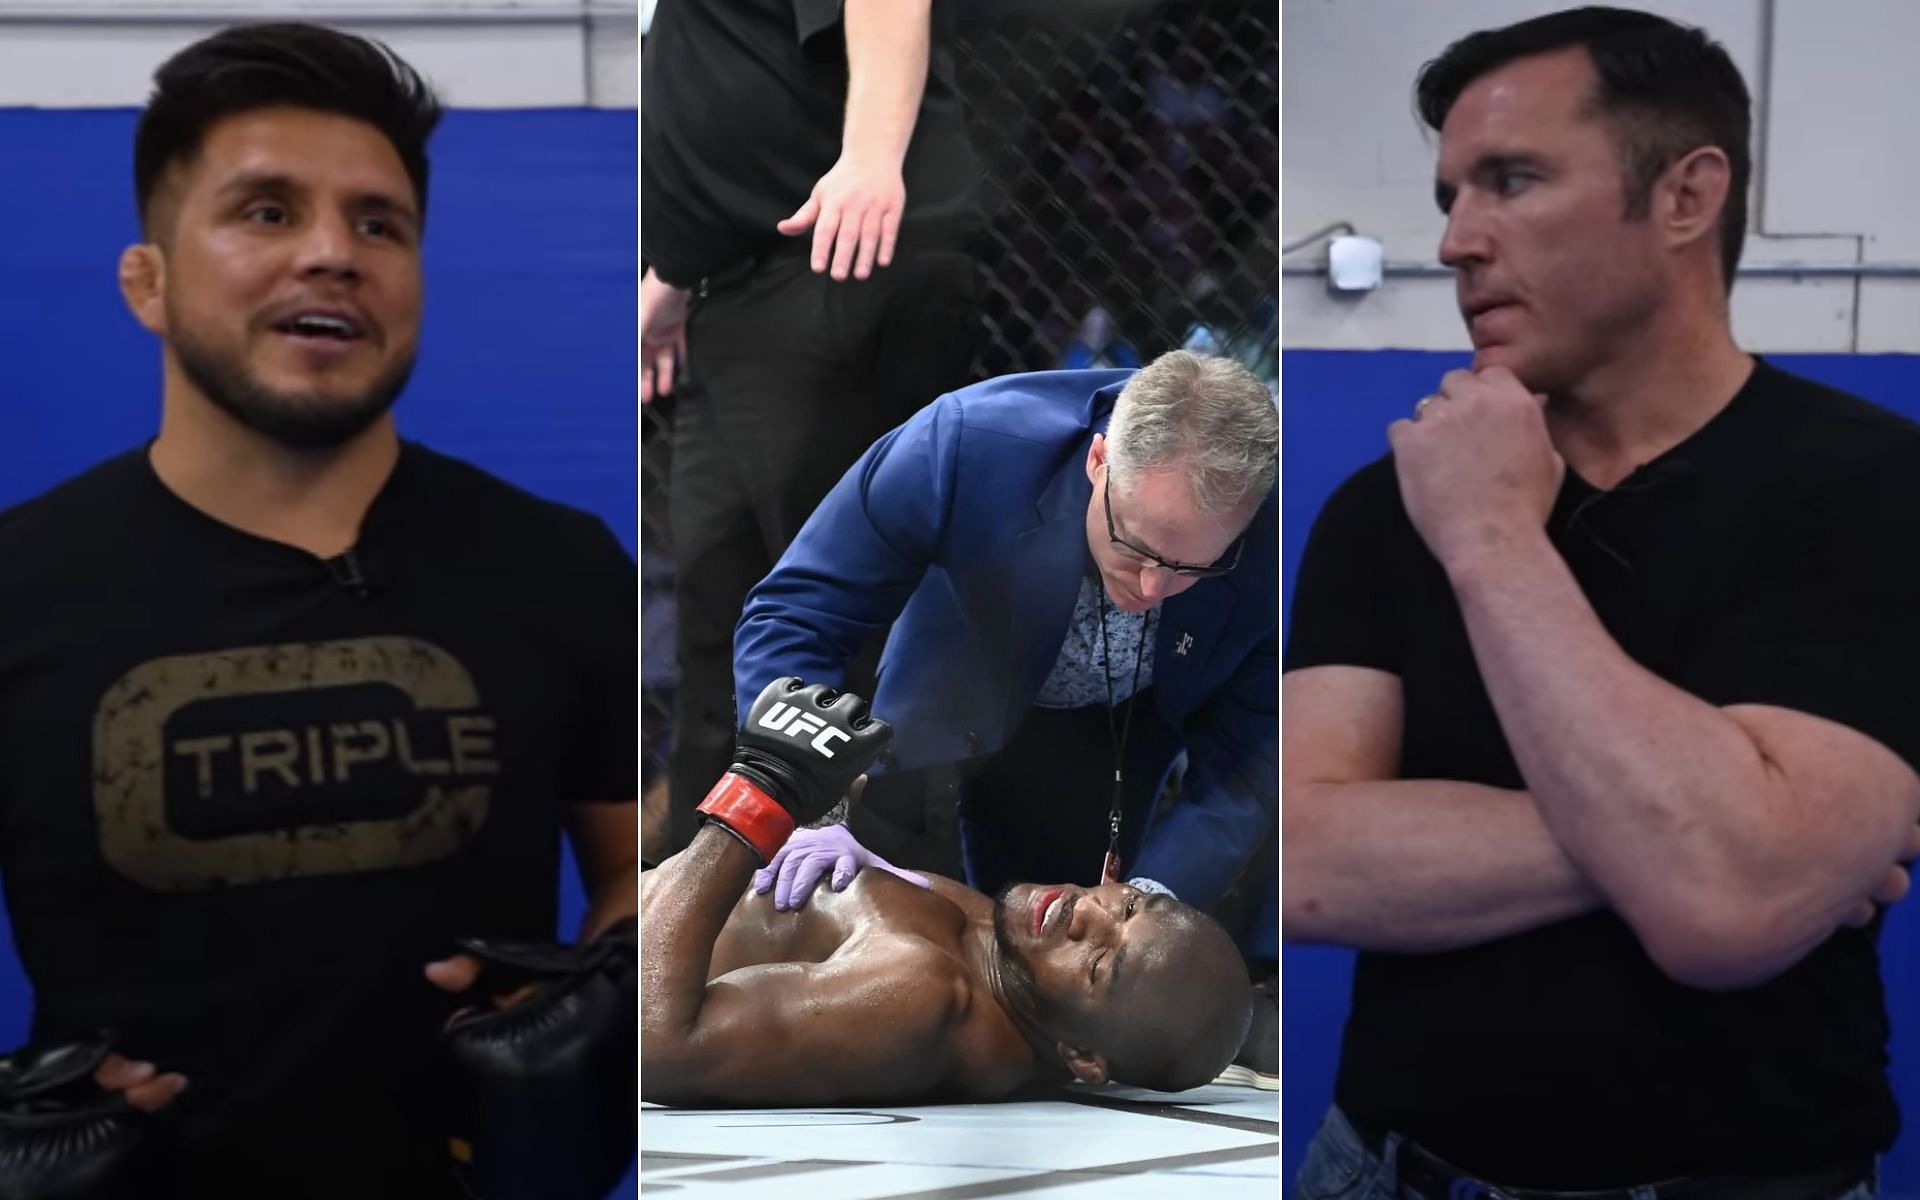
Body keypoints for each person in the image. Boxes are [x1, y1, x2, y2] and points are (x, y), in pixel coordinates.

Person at [1284, 8, 1920, 1198]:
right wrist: (1701, 842)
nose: (1459, 240)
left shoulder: (1876, 490)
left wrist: (1490, 540)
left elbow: (1727, 909)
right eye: (1449, 196)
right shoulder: (1387, 501)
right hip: (1387, 1171)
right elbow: (1303, 866)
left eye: (1512, 180)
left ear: (1686, 197)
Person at [0, 24, 636, 1198]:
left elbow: (633, 871)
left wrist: (611, 995)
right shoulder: (20, 588)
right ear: (148, 280)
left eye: (378, 223)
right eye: (266, 212)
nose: (334, 254)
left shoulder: (557, 566)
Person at [735, 348, 1277, 1086]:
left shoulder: (1280, 530)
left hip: (1107, 743)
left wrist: (1146, 902)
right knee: (871, 980)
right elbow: (799, 611)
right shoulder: (969, 442)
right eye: (1137, 546)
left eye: (1192, 567)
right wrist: (805, 798)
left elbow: (1248, 762)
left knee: (1040, 1021)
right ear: (1097, 462)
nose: (1153, 587)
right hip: (934, 718)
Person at [640, 0, 984, 861]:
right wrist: (677, 273)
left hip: (838, 259)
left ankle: (889, 919)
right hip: (731, 293)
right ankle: (707, 906)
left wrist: (871, 156)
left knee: (849, 612)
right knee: (722, 620)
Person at [640, 679, 1254, 1106]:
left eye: (1098, 964)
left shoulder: (922, 995)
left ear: (1083, 1058)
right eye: (1127, 905)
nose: (1085, 911)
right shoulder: (1010, 953)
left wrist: (758, 793)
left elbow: (654, 1046)